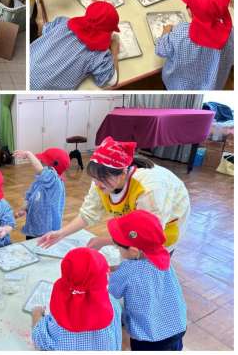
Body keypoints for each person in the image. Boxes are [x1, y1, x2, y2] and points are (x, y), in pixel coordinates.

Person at [38, 136, 191, 253]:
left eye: (102, 179)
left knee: (150, 261)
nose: (97, 184)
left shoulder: (149, 189)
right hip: (140, 223)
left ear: (123, 173)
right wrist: (61, 233)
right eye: (95, 179)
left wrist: (106, 241)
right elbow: (88, 214)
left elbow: (148, 234)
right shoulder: (101, 180)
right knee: (130, 257)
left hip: (168, 223)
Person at [108, 210, 187, 350]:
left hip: (149, 338)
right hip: (177, 328)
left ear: (133, 251)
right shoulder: (163, 255)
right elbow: (142, 271)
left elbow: (112, 292)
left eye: (118, 247)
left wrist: (105, 272)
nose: (117, 249)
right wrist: (116, 269)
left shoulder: (128, 271)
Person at [31, 248, 122, 350]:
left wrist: (36, 314)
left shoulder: (59, 316)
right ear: (105, 277)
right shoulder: (113, 305)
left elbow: (39, 340)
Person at [155, 0, 233, 90]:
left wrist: (166, 32)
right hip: (210, 88)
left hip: (178, 87)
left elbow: (161, 50)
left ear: (190, 12)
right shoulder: (230, 33)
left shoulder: (181, 33)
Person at [30, 1, 120, 90]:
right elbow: (113, 82)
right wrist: (114, 51)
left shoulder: (63, 22)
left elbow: (44, 31)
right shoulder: (98, 54)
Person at [13, 148, 69, 239]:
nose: (42, 162)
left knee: (39, 245)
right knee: (31, 241)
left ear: (52, 168)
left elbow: (40, 170)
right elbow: (31, 194)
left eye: (45, 161)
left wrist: (28, 154)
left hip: (46, 229)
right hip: (34, 223)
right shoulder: (44, 180)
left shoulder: (54, 181)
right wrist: (24, 208)